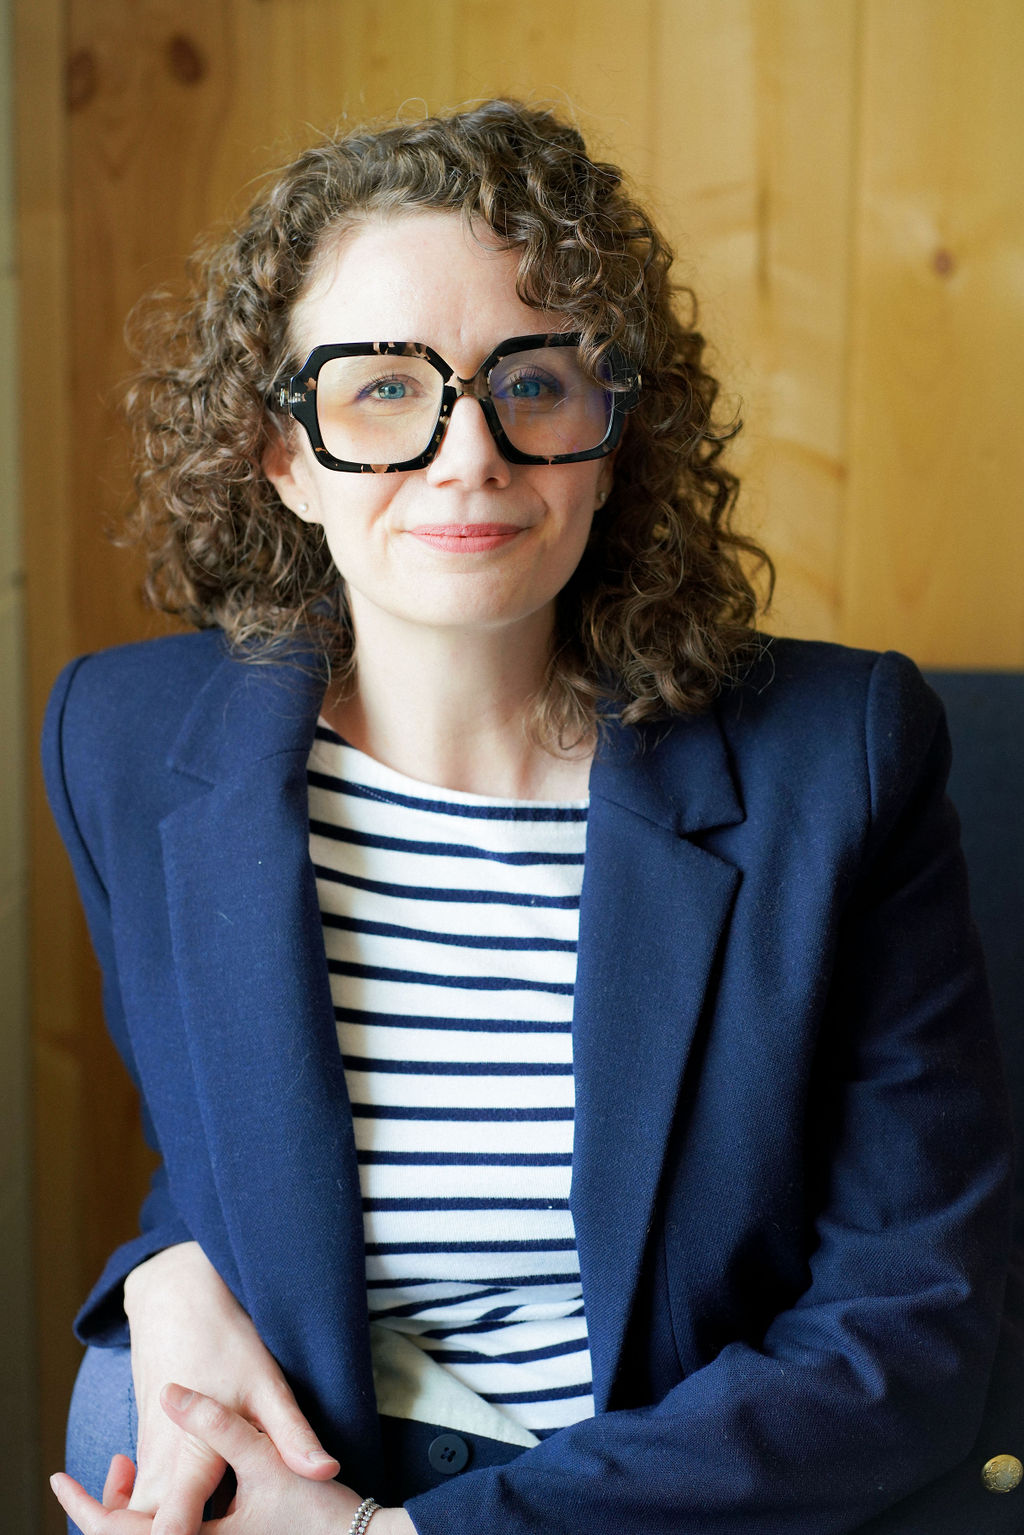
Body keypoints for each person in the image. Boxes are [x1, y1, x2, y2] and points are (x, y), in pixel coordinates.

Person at [44, 99, 1021, 1535]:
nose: (469, 455)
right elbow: (214, 1153)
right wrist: (164, 1270)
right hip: (309, 1462)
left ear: (613, 436)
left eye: (536, 381)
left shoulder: (842, 758)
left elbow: (910, 1322)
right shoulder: (125, 744)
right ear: (281, 451)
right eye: (384, 386)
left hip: (672, 1493)